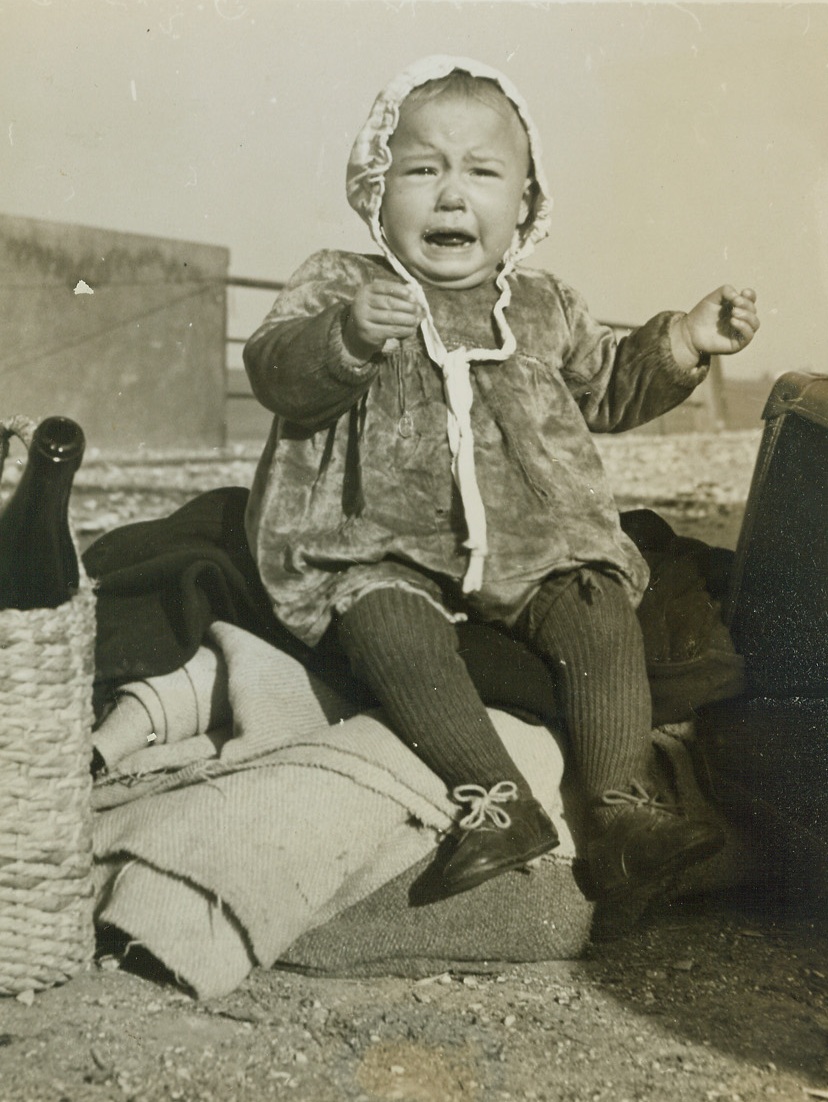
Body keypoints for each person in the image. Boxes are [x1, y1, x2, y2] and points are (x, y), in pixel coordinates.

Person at [242, 56, 760, 914]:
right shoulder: (342, 282)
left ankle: (622, 807)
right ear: (376, 187)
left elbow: (610, 387)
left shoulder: (544, 305)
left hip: (536, 546)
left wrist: (685, 340)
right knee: (378, 615)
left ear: (523, 202)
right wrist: (346, 336)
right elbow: (275, 372)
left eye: (482, 173)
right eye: (422, 170)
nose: (452, 195)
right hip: (385, 544)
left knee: (598, 599)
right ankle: (496, 800)